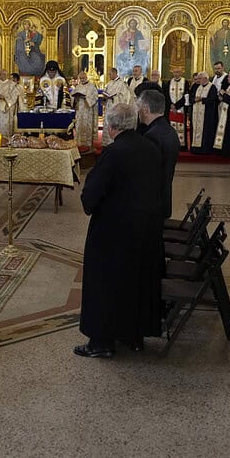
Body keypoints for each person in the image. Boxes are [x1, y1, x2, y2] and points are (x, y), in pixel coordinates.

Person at [75, 103, 163, 357]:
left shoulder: (114, 153)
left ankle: (101, 342)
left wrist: (89, 200)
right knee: (136, 282)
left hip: (113, 232)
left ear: (112, 127)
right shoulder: (151, 147)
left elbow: (92, 194)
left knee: (105, 283)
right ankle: (133, 335)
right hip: (145, 228)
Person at [138, 90, 180, 219]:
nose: (138, 111)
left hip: (153, 203)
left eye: (139, 107)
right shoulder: (169, 130)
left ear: (145, 109)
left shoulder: (152, 136)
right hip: (163, 197)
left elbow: (148, 174)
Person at [100, 67, 132, 146]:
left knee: (115, 125)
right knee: (108, 124)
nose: (109, 76)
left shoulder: (122, 83)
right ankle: (106, 143)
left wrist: (114, 97)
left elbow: (126, 96)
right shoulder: (109, 83)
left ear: (115, 73)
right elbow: (105, 93)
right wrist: (105, 97)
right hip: (109, 107)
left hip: (116, 108)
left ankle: (114, 143)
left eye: (110, 74)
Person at [189, 71, 218, 154]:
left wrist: (202, 99)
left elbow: (213, 99)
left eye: (200, 78)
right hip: (196, 113)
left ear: (205, 78)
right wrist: (194, 99)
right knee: (195, 129)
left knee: (205, 131)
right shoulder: (197, 86)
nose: (198, 80)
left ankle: (205, 149)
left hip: (206, 114)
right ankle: (195, 148)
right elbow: (191, 96)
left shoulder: (212, 87)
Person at [71, 71, 98, 151]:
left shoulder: (91, 86)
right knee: (79, 126)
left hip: (88, 110)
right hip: (79, 110)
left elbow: (95, 97)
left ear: (86, 78)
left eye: (83, 78)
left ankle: (89, 146)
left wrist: (86, 98)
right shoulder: (78, 87)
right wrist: (75, 98)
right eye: (81, 78)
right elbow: (73, 96)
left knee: (88, 127)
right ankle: (79, 145)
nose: (82, 79)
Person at [0, 69, 18, 138]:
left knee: (6, 125)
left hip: (7, 109)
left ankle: (6, 140)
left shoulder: (12, 85)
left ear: (7, 75)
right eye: (1, 74)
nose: (2, 76)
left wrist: (5, 98)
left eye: (4, 74)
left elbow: (14, 96)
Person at [163, 68, 189, 148]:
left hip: (181, 108)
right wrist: (171, 105)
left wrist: (177, 105)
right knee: (171, 126)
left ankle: (182, 145)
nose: (176, 73)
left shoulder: (185, 82)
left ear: (181, 72)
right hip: (171, 108)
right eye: (174, 72)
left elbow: (186, 95)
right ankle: (172, 144)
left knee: (182, 125)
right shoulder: (169, 82)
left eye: (178, 72)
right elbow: (166, 95)